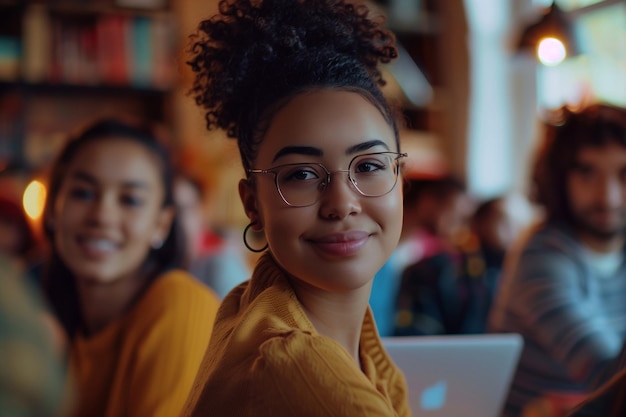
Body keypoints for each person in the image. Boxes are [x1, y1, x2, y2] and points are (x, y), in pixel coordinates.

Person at [181, 1, 411, 416]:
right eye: (301, 175)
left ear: (400, 175)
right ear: (252, 203)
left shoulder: (255, 305)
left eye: (370, 166)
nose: (342, 204)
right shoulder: (295, 366)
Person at [41, 118, 221, 417]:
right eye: (83, 193)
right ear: (52, 209)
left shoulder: (180, 303)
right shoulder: (59, 329)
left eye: (130, 199)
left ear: (161, 224)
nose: (102, 215)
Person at [488, 103, 626, 417]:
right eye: (587, 172)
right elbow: (609, 376)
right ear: (559, 178)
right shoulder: (542, 255)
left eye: (624, 174)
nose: (609, 197)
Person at [370, 174, 473, 336]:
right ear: (429, 201)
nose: (458, 227)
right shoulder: (375, 245)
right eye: (453, 214)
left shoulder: (424, 251)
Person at [173, 171, 251, 298]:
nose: (175, 219)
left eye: (184, 209)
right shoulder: (167, 268)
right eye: (169, 209)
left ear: (201, 212)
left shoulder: (222, 262)